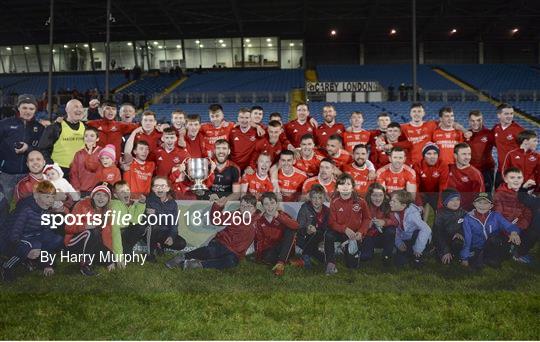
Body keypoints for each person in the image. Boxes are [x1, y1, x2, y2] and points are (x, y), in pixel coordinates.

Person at [165, 194, 260, 270]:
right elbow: (215, 220)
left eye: (248, 207)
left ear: (254, 208)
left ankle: (197, 265)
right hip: (222, 243)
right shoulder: (235, 215)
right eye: (242, 206)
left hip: (235, 253)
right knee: (213, 251)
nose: (245, 209)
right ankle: (182, 257)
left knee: (231, 262)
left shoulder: (258, 220)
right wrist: (217, 206)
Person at [0, 181, 64, 281]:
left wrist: (48, 264)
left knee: (55, 239)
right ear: (36, 195)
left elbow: (46, 232)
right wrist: (26, 251)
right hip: (13, 238)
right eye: (47, 197)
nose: (51, 201)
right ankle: (6, 266)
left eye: (52, 197)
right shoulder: (26, 209)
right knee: (34, 246)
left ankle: (37, 263)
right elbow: (13, 234)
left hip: (33, 237)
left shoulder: (45, 210)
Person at [324, 173, 371, 275]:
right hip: (339, 231)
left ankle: (349, 249)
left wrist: (360, 232)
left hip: (353, 234)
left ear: (353, 187)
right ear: (337, 188)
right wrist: (344, 229)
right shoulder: (334, 201)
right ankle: (330, 263)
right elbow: (331, 222)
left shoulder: (361, 201)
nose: (345, 187)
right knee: (328, 235)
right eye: (342, 184)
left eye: (348, 184)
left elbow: (367, 219)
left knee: (352, 266)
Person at [0, 94, 44, 202]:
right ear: (18, 107)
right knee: (8, 205)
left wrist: (28, 148)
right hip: (7, 174)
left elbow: (42, 149)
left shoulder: (39, 128)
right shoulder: (4, 124)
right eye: (24, 107)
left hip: (29, 174)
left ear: (35, 110)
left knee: (26, 205)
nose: (27, 111)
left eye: (31, 108)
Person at [460, 192, 521, 269]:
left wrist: (514, 232)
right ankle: (486, 259)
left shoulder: (495, 215)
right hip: (477, 247)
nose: (482, 206)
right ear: (474, 204)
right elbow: (467, 238)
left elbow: (509, 226)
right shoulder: (468, 218)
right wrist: (464, 258)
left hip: (492, 246)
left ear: (491, 206)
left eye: (486, 203)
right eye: (479, 202)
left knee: (495, 238)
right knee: (476, 265)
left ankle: (505, 254)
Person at [64, 184, 115, 276]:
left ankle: (89, 258)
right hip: (73, 243)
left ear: (108, 199)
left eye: (105, 196)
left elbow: (106, 235)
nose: (101, 198)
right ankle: (85, 265)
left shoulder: (107, 211)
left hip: (91, 243)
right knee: (91, 232)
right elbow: (68, 228)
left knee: (111, 256)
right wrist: (85, 226)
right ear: (93, 195)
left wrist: (109, 258)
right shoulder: (81, 204)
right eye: (98, 194)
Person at [254, 192, 299, 276]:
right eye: (266, 204)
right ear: (262, 206)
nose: (270, 206)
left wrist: (278, 216)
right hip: (270, 250)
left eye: (272, 203)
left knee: (291, 230)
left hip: (284, 247)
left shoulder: (282, 215)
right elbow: (259, 240)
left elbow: (296, 226)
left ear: (277, 204)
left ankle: (280, 264)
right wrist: (258, 256)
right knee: (268, 256)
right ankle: (289, 262)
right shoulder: (260, 221)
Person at [38, 99, 86, 177]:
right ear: (67, 110)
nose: (79, 109)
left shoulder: (86, 127)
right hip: (60, 171)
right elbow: (43, 149)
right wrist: (51, 167)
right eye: (75, 107)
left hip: (80, 171)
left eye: (81, 107)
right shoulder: (55, 128)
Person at [145, 177, 187, 261]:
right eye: (156, 186)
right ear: (153, 189)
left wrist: (171, 236)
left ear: (168, 188)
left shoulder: (173, 203)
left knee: (182, 243)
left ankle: (160, 245)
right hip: (151, 231)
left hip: (164, 232)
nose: (160, 188)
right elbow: (149, 221)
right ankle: (150, 253)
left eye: (163, 186)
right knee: (153, 226)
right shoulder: (149, 200)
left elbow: (174, 223)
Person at [389, 189, 432, 268]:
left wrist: (418, 248)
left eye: (394, 201)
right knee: (399, 263)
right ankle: (410, 254)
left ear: (403, 205)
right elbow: (396, 230)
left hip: (419, 239)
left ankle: (420, 254)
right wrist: (399, 243)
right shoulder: (393, 213)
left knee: (417, 232)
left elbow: (426, 229)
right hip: (406, 239)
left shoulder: (412, 214)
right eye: (391, 201)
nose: (390, 203)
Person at [109, 181, 147, 265]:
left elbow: (135, 220)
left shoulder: (129, 204)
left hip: (123, 234)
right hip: (112, 237)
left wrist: (141, 203)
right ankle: (117, 255)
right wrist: (119, 257)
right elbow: (115, 233)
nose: (126, 193)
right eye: (122, 192)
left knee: (140, 226)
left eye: (127, 190)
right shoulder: (115, 206)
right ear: (115, 195)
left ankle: (126, 252)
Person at [361, 182, 398, 264]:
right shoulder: (363, 205)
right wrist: (366, 224)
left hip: (382, 236)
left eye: (380, 195)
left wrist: (384, 222)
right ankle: (366, 252)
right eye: (374, 195)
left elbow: (395, 221)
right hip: (368, 236)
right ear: (369, 196)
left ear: (384, 195)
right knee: (366, 258)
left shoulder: (387, 204)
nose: (378, 199)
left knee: (391, 230)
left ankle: (387, 256)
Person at [294, 184, 329, 269]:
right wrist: (307, 229)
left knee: (318, 234)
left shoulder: (327, 211)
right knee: (324, 258)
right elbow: (298, 227)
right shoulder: (305, 208)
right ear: (310, 198)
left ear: (324, 199)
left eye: (320, 198)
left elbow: (328, 229)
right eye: (314, 197)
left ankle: (306, 256)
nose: (317, 200)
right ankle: (309, 256)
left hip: (320, 239)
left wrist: (323, 239)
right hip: (304, 238)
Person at [492, 103, 524, 188]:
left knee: (514, 199)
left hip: (514, 172)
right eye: (506, 114)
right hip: (500, 170)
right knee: (498, 198)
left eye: (511, 113)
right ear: (499, 115)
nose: (510, 116)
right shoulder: (496, 128)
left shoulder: (519, 130)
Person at [445, 143, 484, 211]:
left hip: (466, 212)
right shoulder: (448, 169)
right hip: (449, 210)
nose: (467, 157)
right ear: (455, 155)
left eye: (469, 154)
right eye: (464, 154)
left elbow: (480, 197)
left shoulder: (475, 174)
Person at [432, 188, 466, 265]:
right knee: (445, 261)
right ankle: (440, 251)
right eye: (451, 200)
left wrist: (460, 233)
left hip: (456, 240)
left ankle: (457, 255)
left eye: (457, 199)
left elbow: (468, 227)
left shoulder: (463, 213)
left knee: (458, 242)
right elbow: (438, 234)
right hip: (443, 241)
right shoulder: (440, 215)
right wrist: (445, 251)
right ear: (445, 202)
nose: (455, 202)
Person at [465, 110, 496, 192]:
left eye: (478, 120)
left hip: (486, 170)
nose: (476, 123)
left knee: (485, 196)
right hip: (470, 171)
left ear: (482, 120)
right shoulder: (465, 135)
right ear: (469, 121)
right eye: (473, 120)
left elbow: (502, 147)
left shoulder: (489, 134)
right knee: (470, 196)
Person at [413, 142, 448, 212]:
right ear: (423, 156)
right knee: (416, 212)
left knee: (441, 213)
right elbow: (415, 186)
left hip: (436, 194)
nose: (432, 156)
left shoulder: (443, 165)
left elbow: (443, 186)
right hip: (421, 193)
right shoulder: (417, 165)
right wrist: (418, 203)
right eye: (429, 154)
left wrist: (440, 205)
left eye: (435, 153)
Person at [69, 126, 102, 195]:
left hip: (98, 189)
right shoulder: (79, 154)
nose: (89, 138)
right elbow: (74, 173)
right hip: (82, 189)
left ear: (97, 139)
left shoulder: (102, 152)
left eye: (92, 136)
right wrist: (76, 188)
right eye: (86, 136)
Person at [516, 182, 540, 263]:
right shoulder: (537, 202)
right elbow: (522, 197)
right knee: (533, 231)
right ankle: (520, 254)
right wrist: (524, 188)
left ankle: (520, 253)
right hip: (534, 231)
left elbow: (522, 197)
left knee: (533, 231)